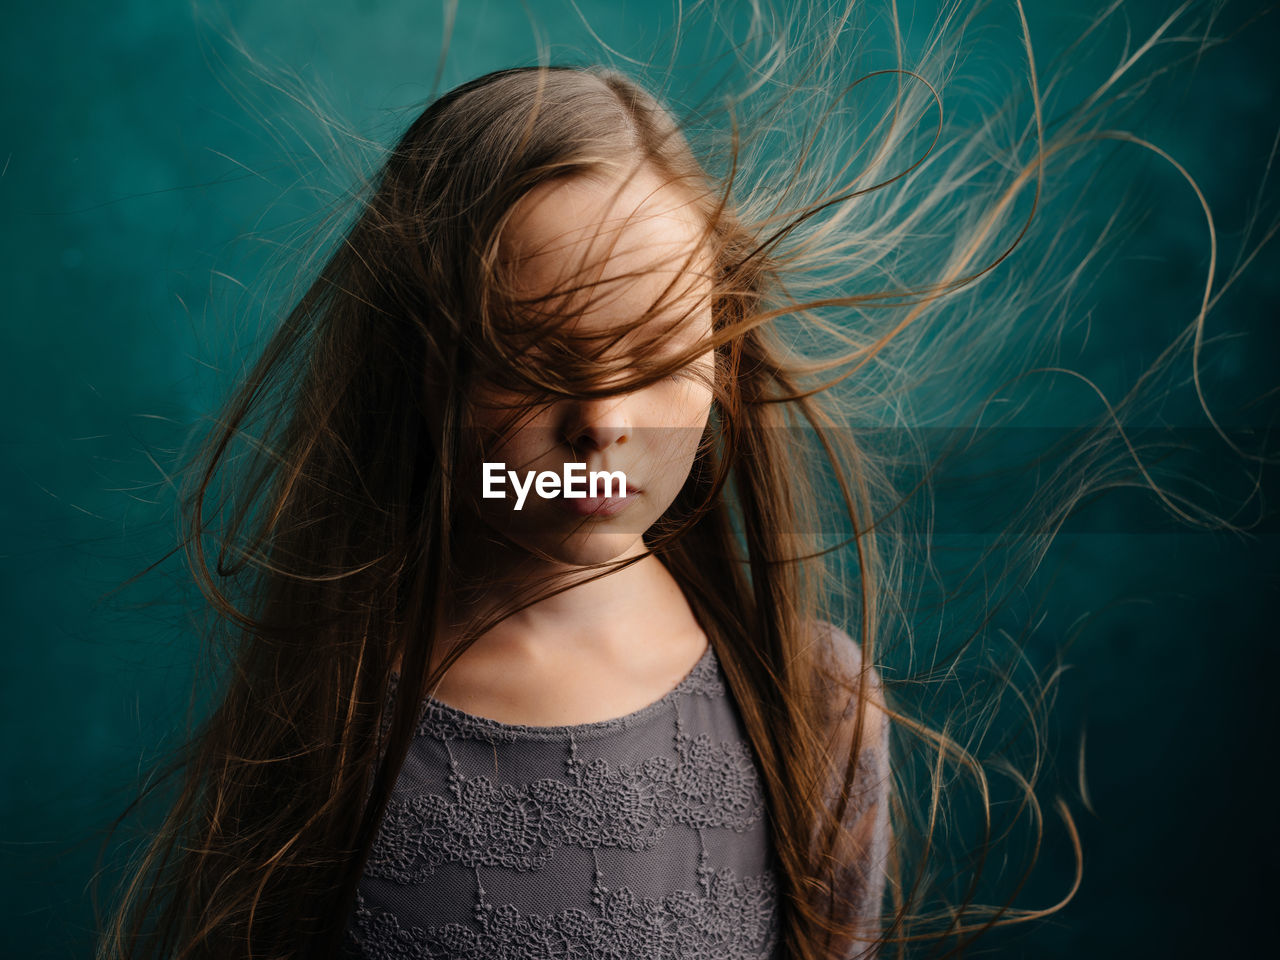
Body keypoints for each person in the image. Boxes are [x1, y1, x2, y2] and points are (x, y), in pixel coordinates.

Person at [93, 4, 1273, 959]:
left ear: (723, 361)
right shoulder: (335, 703)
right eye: (532, 364)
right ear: (421, 381)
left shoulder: (807, 707)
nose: (601, 426)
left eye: (656, 359)